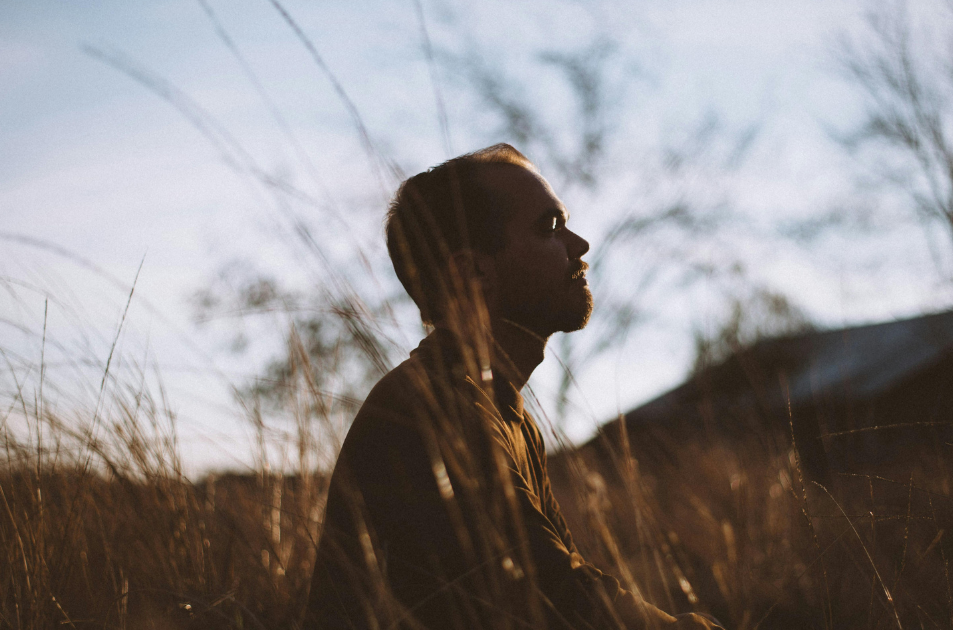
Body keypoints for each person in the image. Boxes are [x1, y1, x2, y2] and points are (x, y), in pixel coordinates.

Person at [304, 144, 722, 630]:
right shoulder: (437, 410)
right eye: (550, 227)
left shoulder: (505, 411)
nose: (579, 244)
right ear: (474, 272)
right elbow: (559, 600)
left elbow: (564, 579)